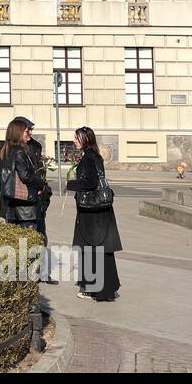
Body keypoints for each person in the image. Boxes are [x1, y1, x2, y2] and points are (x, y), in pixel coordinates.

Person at [68, 126, 122, 302]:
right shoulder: (93, 155)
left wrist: (71, 185)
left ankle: (93, 289)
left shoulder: (89, 157)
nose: (74, 140)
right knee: (99, 250)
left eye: (77, 138)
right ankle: (105, 288)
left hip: (92, 213)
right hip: (99, 213)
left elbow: (90, 183)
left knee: (91, 248)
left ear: (86, 139)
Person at [0, 116, 50, 241]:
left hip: (13, 205)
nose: (30, 133)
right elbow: (27, 176)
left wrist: (8, 190)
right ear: (19, 132)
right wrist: (42, 186)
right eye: (27, 130)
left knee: (17, 244)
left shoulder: (6, 150)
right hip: (27, 208)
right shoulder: (19, 151)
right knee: (31, 244)